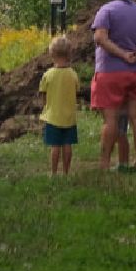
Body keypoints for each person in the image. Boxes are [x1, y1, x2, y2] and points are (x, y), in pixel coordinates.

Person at [91, 0, 136, 170]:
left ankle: (104, 163)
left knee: (111, 119)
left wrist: (122, 54)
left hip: (111, 72)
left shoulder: (107, 11)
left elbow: (100, 37)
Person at [39, 35, 80, 176]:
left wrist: (46, 107)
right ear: (69, 54)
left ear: (51, 54)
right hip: (69, 117)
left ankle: (54, 172)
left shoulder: (48, 75)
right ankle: (66, 172)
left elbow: (43, 94)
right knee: (67, 145)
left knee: (55, 146)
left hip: (53, 116)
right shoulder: (73, 74)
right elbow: (76, 91)